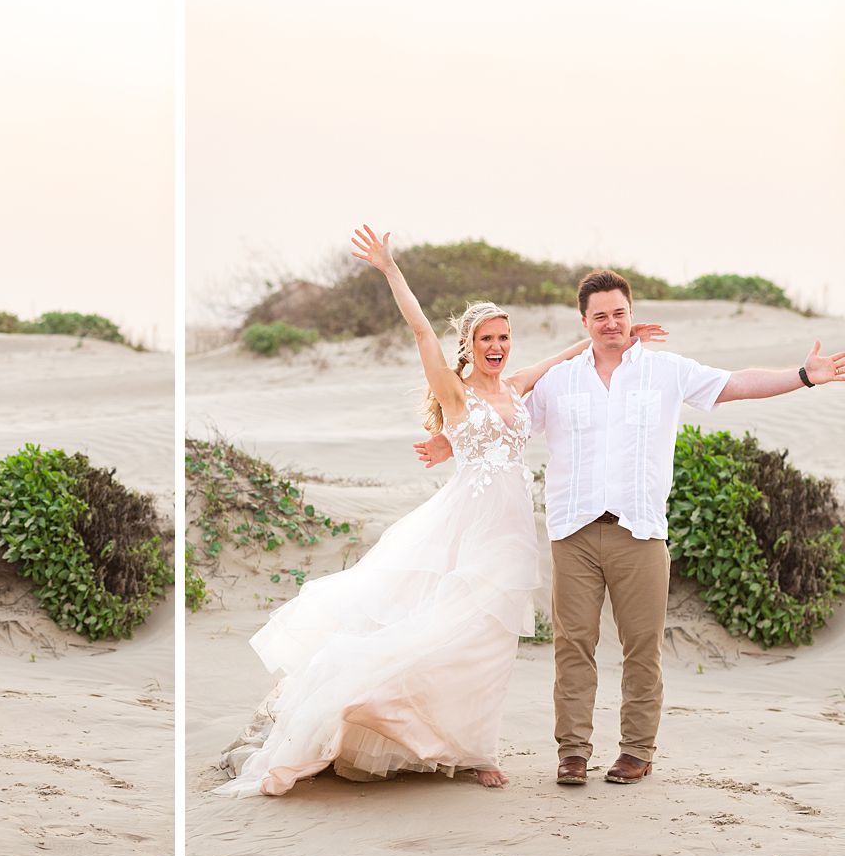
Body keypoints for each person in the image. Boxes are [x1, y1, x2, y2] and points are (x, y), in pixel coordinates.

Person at [214, 225, 663, 797]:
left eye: (504, 337)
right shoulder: (455, 391)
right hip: (470, 524)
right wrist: (390, 269)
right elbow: (421, 328)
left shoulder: (517, 388)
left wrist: (613, 342)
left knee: (492, 644)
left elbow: (559, 357)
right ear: (469, 346)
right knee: (445, 629)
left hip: (515, 531)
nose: (497, 347)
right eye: (486, 339)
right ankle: (381, 716)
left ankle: (477, 751)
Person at [413, 266, 845, 785]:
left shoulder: (665, 371)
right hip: (573, 531)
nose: (611, 323)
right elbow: (504, 420)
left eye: (619, 313)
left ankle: (636, 751)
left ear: (631, 316)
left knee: (643, 647)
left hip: (639, 531)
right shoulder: (558, 380)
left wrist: (801, 376)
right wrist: (449, 441)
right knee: (573, 647)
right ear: (585, 321)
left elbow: (734, 384)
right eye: (600, 316)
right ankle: (572, 753)